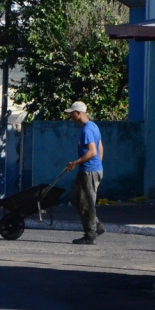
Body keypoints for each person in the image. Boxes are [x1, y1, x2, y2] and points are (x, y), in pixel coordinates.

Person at [64, 101, 105, 245]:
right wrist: (97, 165)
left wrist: (75, 163)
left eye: (71, 113)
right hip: (89, 170)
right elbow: (100, 148)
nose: (70, 116)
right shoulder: (93, 126)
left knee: (87, 203)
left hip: (89, 171)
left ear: (78, 113)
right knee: (76, 200)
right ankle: (97, 226)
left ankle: (90, 235)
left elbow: (93, 151)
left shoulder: (87, 130)